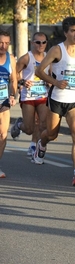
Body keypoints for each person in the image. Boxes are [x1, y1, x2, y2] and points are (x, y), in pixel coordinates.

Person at [33, 17, 75, 186]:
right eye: (73, 31)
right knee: (51, 134)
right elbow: (39, 70)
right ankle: (41, 145)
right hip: (57, 98)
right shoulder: (57, 51)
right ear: (66, 32)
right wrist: (56, 82)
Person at [11, 32, 50, 158]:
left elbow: (52, 72)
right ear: (32, 43)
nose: (41, 45)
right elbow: (15, 74)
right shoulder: (26, 58)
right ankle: (19, 124)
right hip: (28, 95)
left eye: (43, 42)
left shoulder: (49, 57)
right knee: (29, 128)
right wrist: (22, 81)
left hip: (43, 94)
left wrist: (50, 81)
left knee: (42, 123)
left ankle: (34, 146)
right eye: (38, 42)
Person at [0, 30, 18, 178]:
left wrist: (13, 95)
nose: (3, 46)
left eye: (6, 43)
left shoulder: (10, 58)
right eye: (0, 42)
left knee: (3, 134)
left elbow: (14, 80)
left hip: (3, 100)